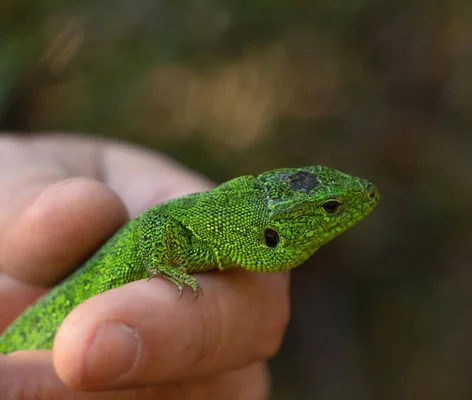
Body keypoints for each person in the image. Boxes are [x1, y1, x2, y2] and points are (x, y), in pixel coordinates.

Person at [0, 133, 288, 399]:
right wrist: (156, 263)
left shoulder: (225, 239)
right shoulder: (209, 239)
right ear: (273, 232)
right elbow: (155, 221)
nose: (334, 216)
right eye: (331, 208)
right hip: (32, 331)